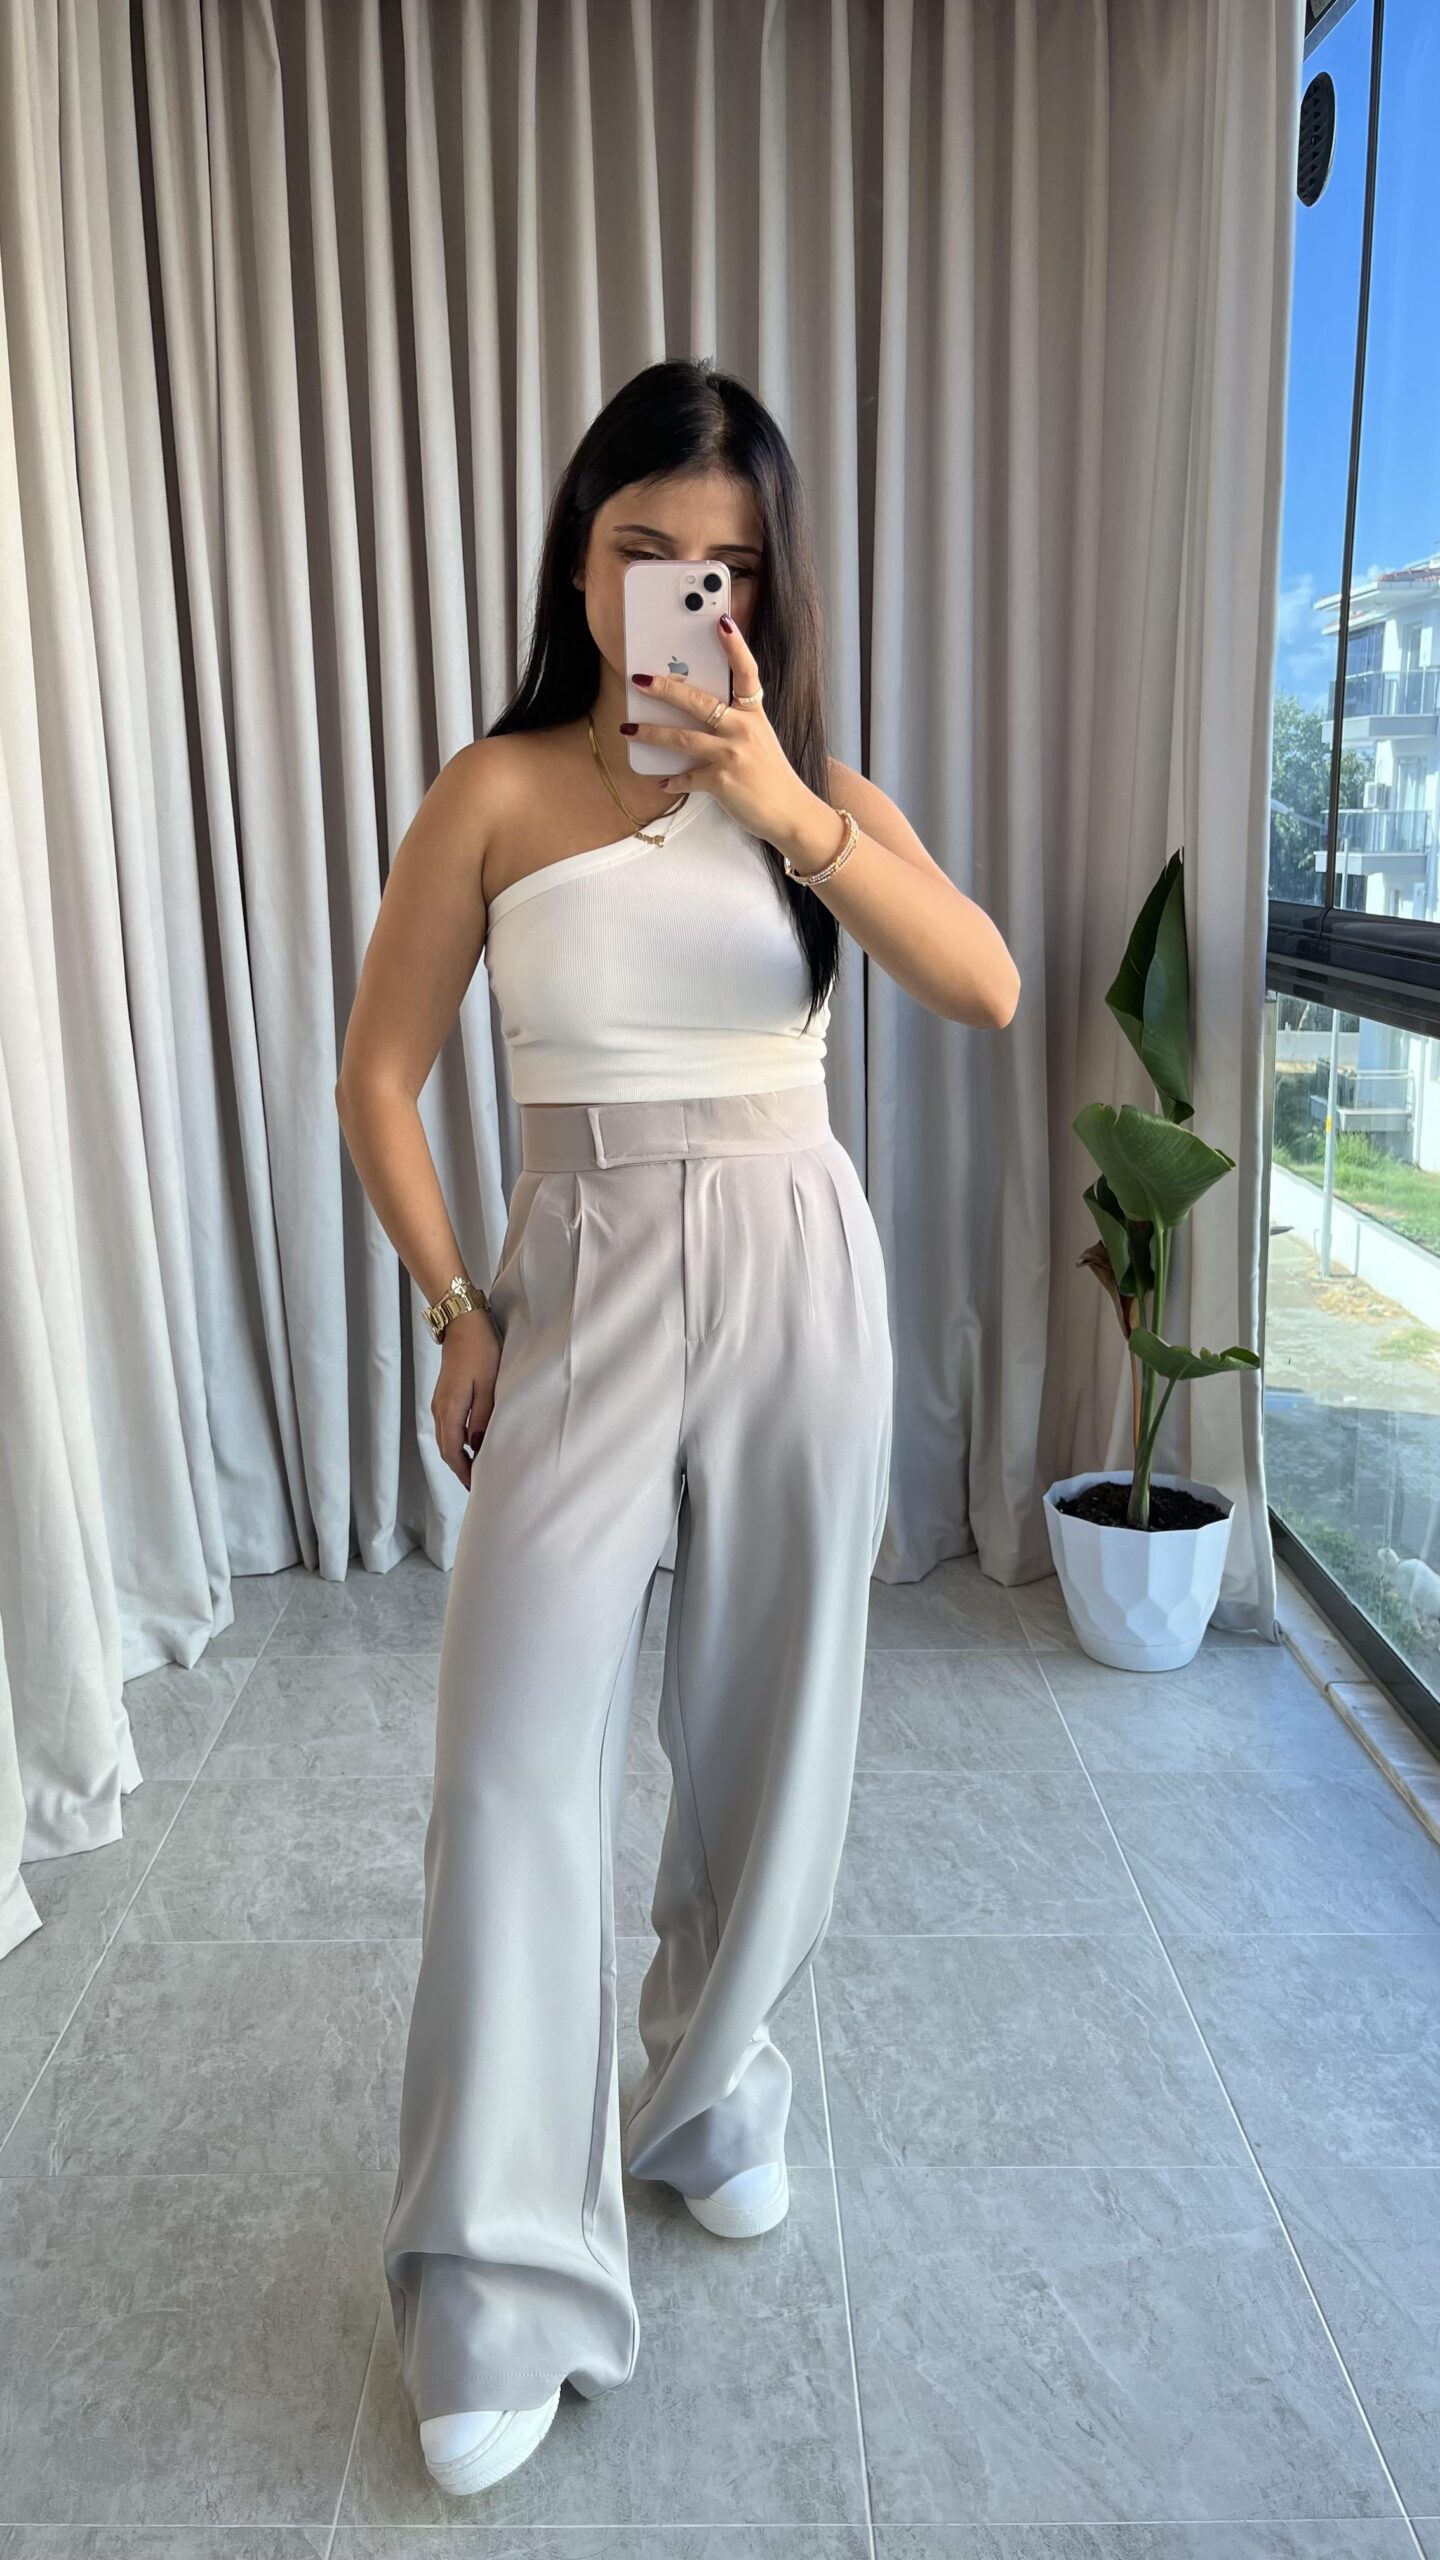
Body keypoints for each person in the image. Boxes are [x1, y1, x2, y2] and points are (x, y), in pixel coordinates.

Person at [334, 355, 1020, 2500]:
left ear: (771, 591)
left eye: (729, 567)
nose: (686, 596)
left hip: (800, 1260)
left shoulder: (822, 795)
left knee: (768, 1728)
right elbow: (377, 1072)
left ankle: (711, 2091)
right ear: (580, 559)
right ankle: (495, 2275)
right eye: (647, 552)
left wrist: (788, 803)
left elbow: (985, 982)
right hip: (582, 1276)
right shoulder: (493, 789)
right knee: (508, 1762)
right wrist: (456, 1306)